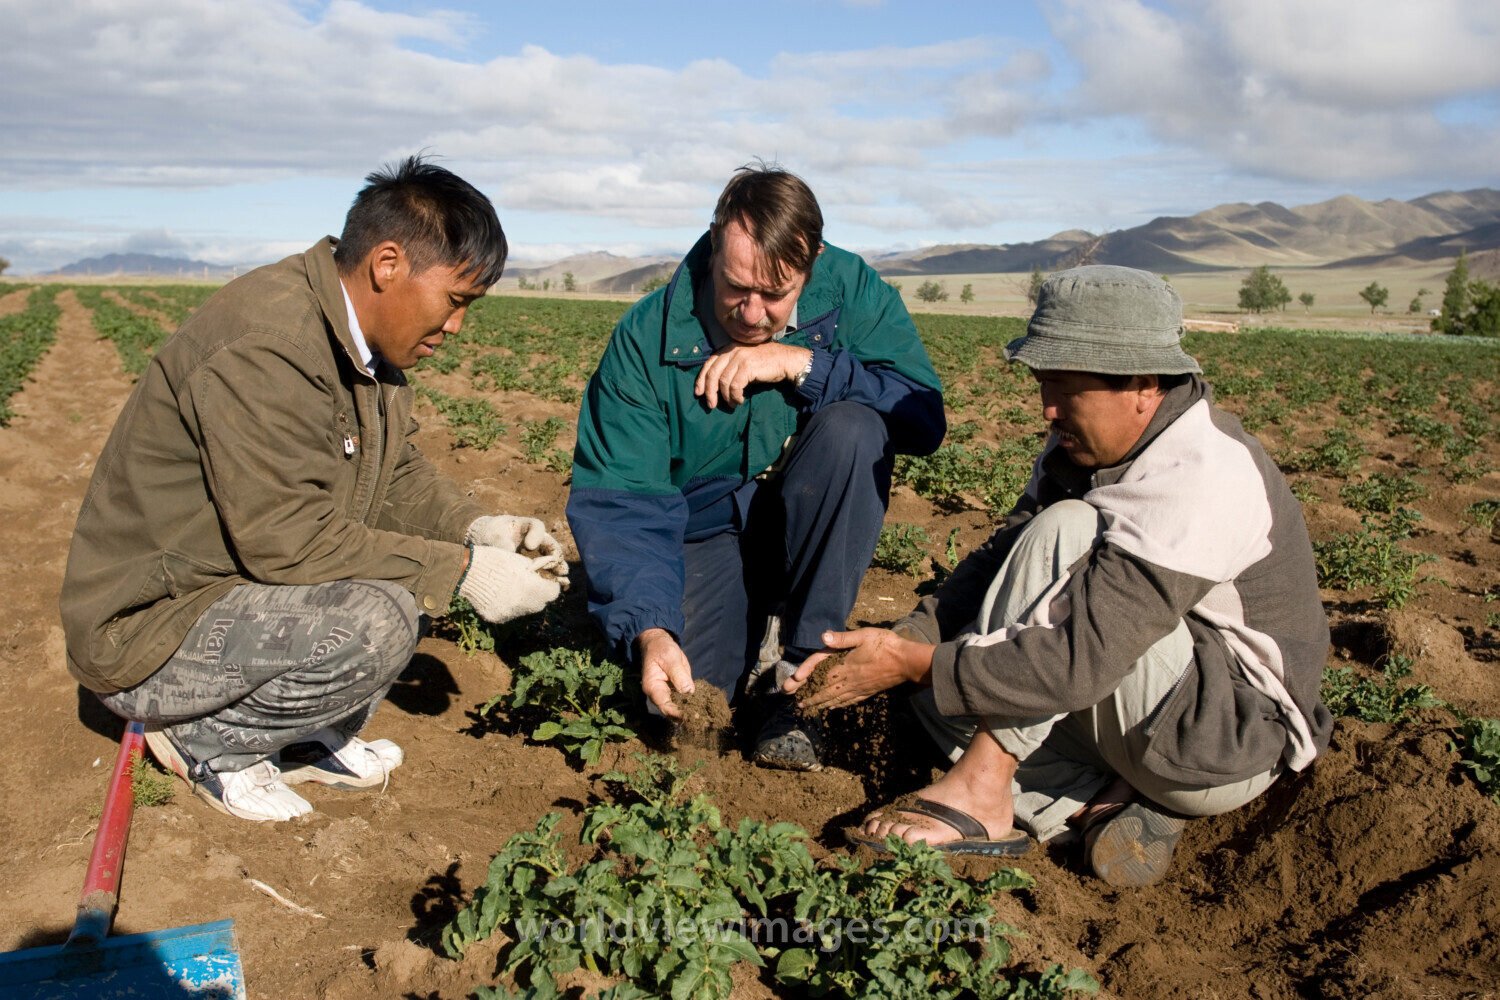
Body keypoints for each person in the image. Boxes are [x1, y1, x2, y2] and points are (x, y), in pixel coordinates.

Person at [786, 265, 1332, 885]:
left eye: (1066, 389)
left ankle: (986, 790)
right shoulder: (1086, 445)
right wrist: (907, 642)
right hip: (1138, 703)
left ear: (1144, 385)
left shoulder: (1202, 472)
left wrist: (916, 663)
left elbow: (1079, 658)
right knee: (934, 692)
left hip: (1220, 736)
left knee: (1064, 534)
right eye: (1043, 384)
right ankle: (1095, 801)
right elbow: (996, 564)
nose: (1048, 409)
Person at [60, 156, 568, 822]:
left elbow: (394, 472)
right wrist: (466, 571)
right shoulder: (269, 344)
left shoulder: (361, 346)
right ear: (388, 265)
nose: (457, 327)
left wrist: (478, 531)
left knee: (405, 581)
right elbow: (288, 539)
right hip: (148, 631)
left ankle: (298, 734)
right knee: (381, 616)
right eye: (455, 300)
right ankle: (208, 741)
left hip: (225, 590)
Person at [567, 163, 944, 770]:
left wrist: (804, 365)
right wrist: (651, 629)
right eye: (735, 287)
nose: (750, 313)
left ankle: (801, 674)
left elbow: (922, 419)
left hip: (812, 519)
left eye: (775, 295)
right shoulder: (647, 335)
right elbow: (625, 499)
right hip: (708, 528)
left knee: (853, 428)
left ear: (812, 263)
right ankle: (746, 637)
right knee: (687, 711)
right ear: (714, 248)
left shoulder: (852, 291)